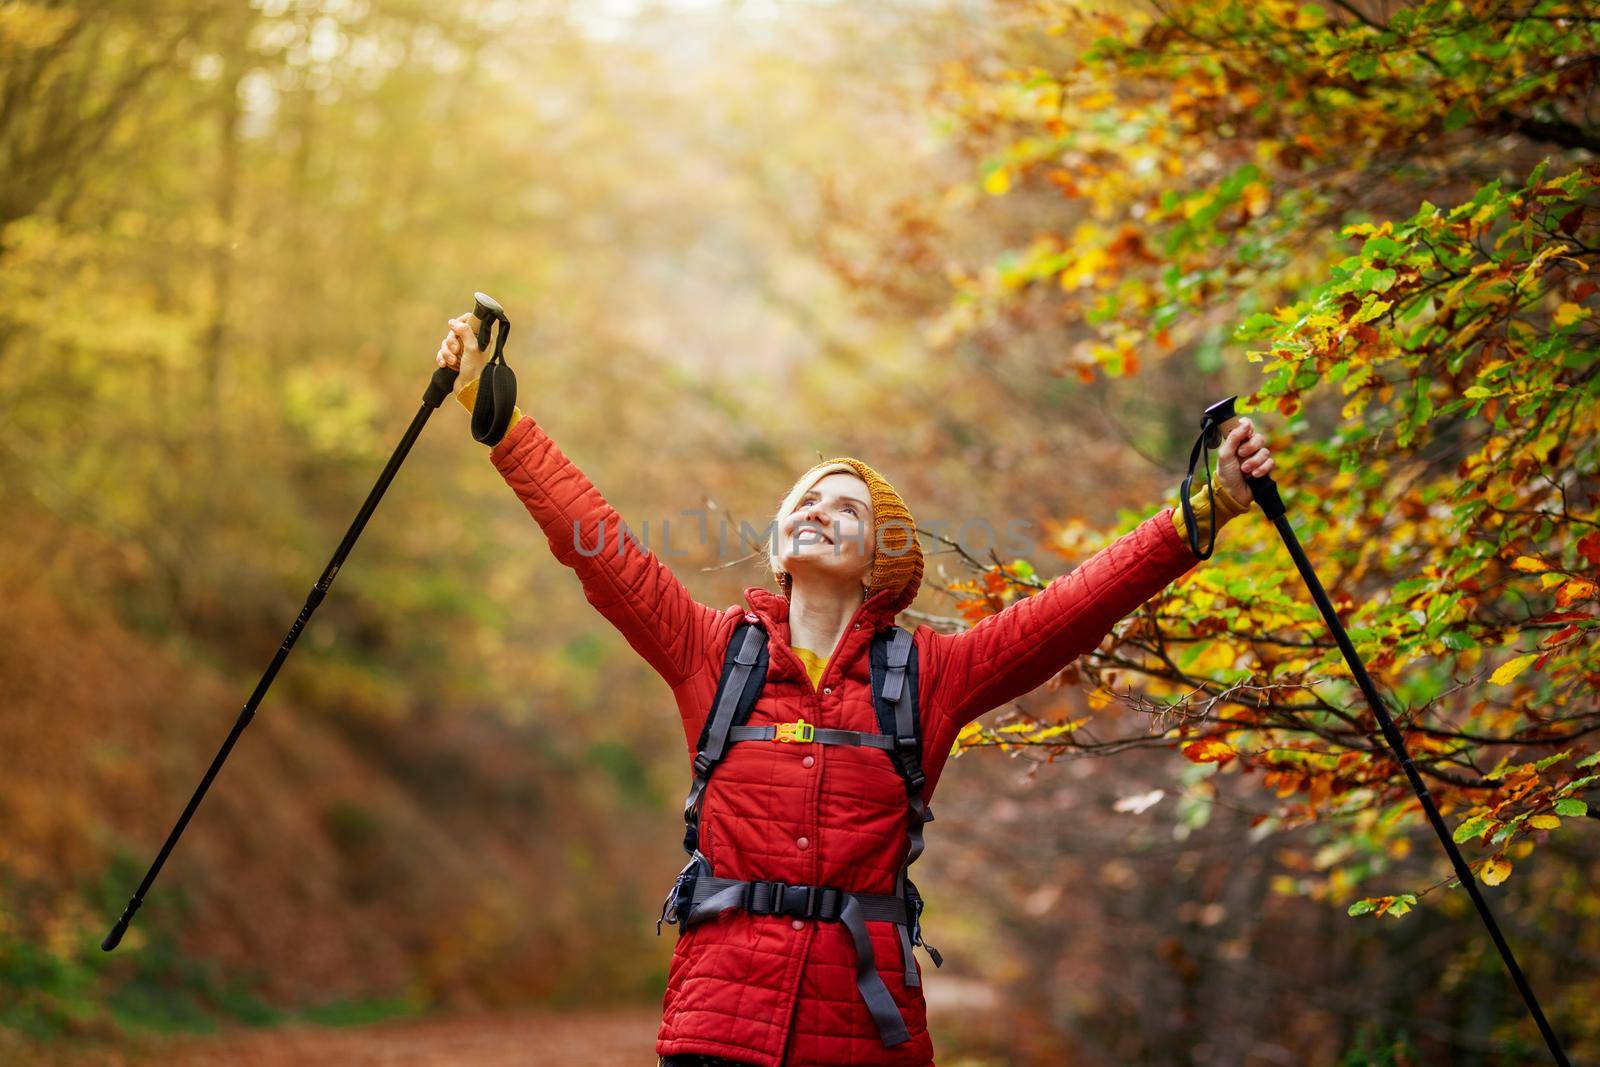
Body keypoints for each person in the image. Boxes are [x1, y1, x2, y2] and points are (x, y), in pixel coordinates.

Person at [435, 315, 1269, 1067]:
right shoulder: (712, 653)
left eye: (845, 506)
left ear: (881, 558)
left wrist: (1206, 507)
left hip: (867, 1035)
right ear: (777, 542)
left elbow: (1070, 610)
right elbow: (599, 547)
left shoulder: (931, 677)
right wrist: (497, 411)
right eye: (804, 500)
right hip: (718, 1026)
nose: (817, 510)